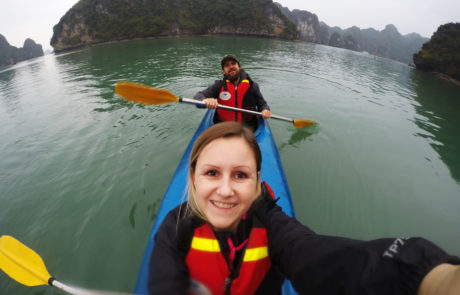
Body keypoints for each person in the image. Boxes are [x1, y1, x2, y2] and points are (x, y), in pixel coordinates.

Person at [148, 122, 460, 295]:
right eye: (211, 173)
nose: (226, 190)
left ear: (257, 182)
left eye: (241, 175)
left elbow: (316, 255)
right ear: (192, 177)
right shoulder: (175, 230)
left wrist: (429, 277)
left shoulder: (272, 225)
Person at [193, 55, 271, 130]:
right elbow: (198, 96)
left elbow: (262, 104)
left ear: (239, 67)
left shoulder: (252, 86)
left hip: (247, 128)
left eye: (233, 63)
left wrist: (265, 110)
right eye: (227, 65)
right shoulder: (219, 86)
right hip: (223, 127)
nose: (231, 67)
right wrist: (204, 101)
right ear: (223, 71)